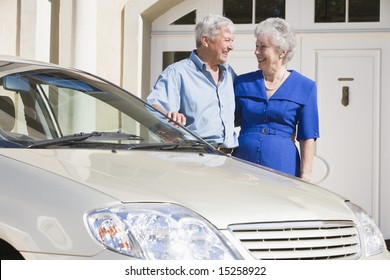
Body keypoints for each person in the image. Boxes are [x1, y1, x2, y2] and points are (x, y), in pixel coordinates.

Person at [233, 17, 319, 181]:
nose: (256, 51)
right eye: (256, 46)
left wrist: (305, 176)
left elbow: (307, 136)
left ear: (282, 51)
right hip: (243, 164)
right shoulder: (243, 82)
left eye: (263, 47)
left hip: (282, 165)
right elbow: (227, 120)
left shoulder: (305, 86)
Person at [146, 14, 238, 153]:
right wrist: (169, 116)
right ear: (205, 40)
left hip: (228, 158)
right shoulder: (177, 73)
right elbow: (153, 108)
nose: (231, 46)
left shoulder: (229, 73)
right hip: (195, 156)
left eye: (232, 40)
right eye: (226, 40)